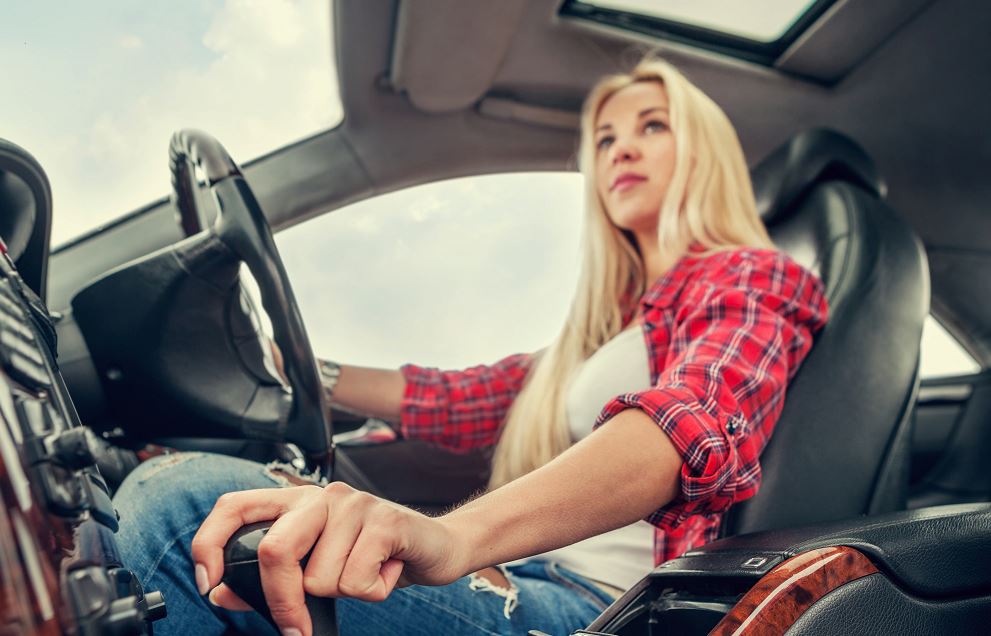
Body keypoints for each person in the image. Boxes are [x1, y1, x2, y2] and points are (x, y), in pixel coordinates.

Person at [112, 57, 828, 636]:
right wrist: (291, 368)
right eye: (605, 139)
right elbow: (458, 398)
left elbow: (689, 424)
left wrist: (455, 541)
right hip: (533, 580)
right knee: (203, 504)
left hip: (612, 610)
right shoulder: (598, 333)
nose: (622, 149)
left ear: (704, 153)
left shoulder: (750, 276)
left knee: (179, 505)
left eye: (651, 126)